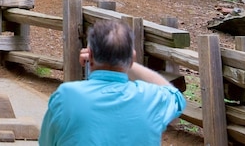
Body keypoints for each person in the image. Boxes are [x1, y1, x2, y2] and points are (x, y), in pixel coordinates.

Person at [39, 20, 186, 146]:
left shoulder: (66, 96)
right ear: (132, 57)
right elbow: (176, 97)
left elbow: (46, 142)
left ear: (89, 55)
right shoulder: (152, 98)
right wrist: (128, 63)